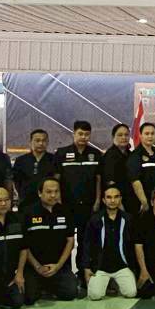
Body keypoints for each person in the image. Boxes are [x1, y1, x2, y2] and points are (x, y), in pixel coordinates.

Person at [54, 121, 102, 285]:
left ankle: (83, 274)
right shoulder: (62, 153)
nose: (83, 137)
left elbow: (98, 179)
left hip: (88, 206)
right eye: (80, 134)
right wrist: (58, 201)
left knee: (85, 240)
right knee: (65, 240)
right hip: (67, 206)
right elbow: (56, 180)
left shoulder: (95, 154)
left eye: (87, 134)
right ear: (74, 134)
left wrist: (97, 200)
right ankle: (65, 273)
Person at [20, 178, 79, 303]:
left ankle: (49, 285)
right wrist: (37, 267)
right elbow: (23, 245)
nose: (53, 195)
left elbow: (70, 241)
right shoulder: (28, 213)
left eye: (56, 191)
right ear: (39, 193)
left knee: (71, 293)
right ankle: (43, 286)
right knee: (29, 297)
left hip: (58, 266)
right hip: (34, 267)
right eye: (49, 192)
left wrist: (58, 266)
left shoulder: (66, 211)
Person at [82, 186, 137, 300]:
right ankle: (106, 283)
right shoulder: (95, 220)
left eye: (116, 197)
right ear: (103, 200)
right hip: (100, 267)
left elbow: (134, 245)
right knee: (95, 296)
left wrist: (133, 268)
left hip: (122, 266)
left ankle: (115, 282)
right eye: (109, 197)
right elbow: (87, 244)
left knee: (131, 293)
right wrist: (87, 267)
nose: (113, 200)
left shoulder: (128, 219)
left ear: (120, 199)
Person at [12, 129, 56, 209]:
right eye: (37, 140)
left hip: (48, 202)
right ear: (30, 142)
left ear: (48, 142)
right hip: (26, 202)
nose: (41, 143)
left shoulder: (54, 160)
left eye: (44, 141)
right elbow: (16, 181)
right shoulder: (21, 160)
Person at [126, 123, 155, 214]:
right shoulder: (135, 156)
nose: (150, 136)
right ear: (140, 135)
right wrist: (144, 202)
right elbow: (135, 181)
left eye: (152, 133)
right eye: (147, 134)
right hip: (143, 203)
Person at [100, 124, 134, 214]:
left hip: (131, 200)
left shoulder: (131, 155)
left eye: (126, 135)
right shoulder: (109, 156)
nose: (124, 137)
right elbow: (110, 182)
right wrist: (119, 205)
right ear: (113, 137)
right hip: (117, 204)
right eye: (120, 135)